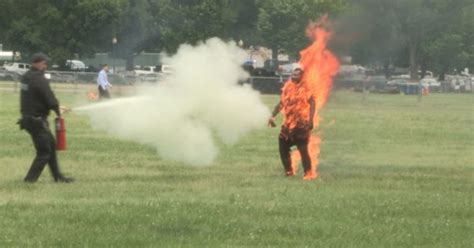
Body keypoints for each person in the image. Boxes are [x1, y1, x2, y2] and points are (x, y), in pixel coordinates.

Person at [18, 53, 73, 183]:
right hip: (36, 121)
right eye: (44, 63)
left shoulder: (26, 77)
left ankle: (58, 177)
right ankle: (29, 180)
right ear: (36, 63)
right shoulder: (38, 78)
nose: (45, 66)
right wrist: (57, 110)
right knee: (44, 151)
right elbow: (50, 98)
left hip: (28, 119)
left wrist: (57, 107)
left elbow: (35, 97)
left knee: (51, 145)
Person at [268, 68, 317, 180]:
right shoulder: (288, 88)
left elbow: (312, 103)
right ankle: (288, 171)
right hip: (288, 124)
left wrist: (310, 120)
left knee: (303, 150)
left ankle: (308, 173)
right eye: (292, 74)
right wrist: (272, 116)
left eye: (296, 75)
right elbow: (281, 104)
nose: (293, 76)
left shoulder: (306, 88)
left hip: (301, 124)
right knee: (282, 147)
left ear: (302, 77)